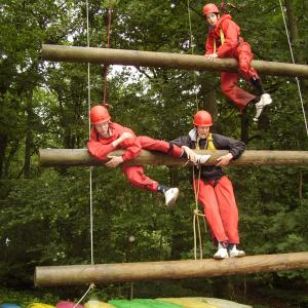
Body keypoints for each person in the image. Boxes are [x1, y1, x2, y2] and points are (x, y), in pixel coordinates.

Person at [87, 105, 209, 207]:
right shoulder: (94, 137)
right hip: (127, 160)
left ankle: (187, 154)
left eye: (104, 124)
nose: (102, 128)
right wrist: (117, 143)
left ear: (108, 121)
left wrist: (121, 158)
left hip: (131, 149)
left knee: (157, 144)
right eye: (98, 126)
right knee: (134, 178)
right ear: (94, 126)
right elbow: (98, 153)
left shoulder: (119, 130)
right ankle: (166, 190)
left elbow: (135, 147)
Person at [172, 110, 246, 259]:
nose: (204, 130)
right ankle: (221, 245)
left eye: (207, 127)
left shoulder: (216, 139)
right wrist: (185, 149)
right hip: (201, 179)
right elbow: (168, 145)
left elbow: (239, 144)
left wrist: (230, 156)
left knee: (230, 208)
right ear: (196, 127)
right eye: (201, 127)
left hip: (219, 177)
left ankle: (233, 246)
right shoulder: (188, 140)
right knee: (212, 209)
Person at [203, 3, 272, 122]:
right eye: (208, 18)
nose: (210, 20)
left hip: (239, 48)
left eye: (212, 16)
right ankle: (256, 100)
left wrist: (217, 54)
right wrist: (206, 58)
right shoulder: (212, 34)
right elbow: (209, 49)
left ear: (217, 15)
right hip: (227, 56)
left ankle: (263, 94)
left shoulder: (227, 23)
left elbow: (231, 41)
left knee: (244, 65)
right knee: (226, 87)